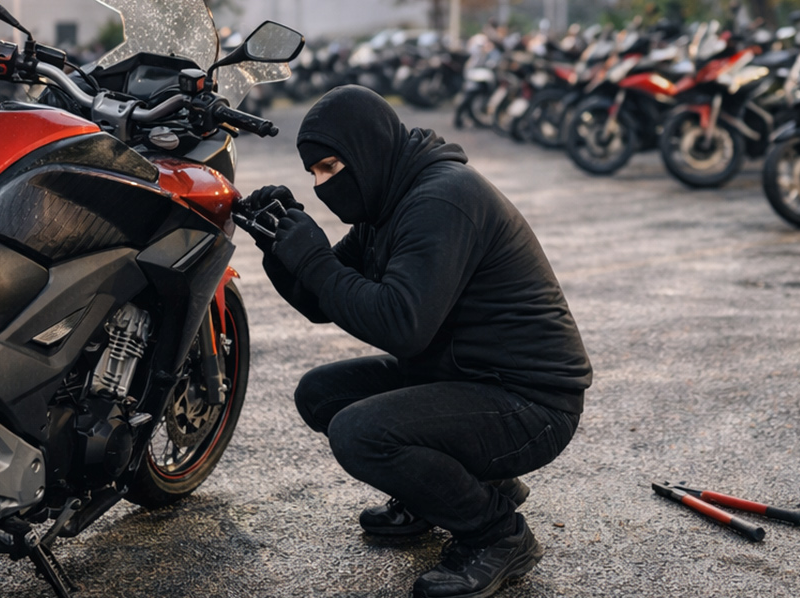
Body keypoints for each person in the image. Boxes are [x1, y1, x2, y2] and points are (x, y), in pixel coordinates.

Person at [231, 85, 592, 598]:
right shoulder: (389, 201)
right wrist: (280, 247)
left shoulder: (441, 199)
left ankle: (497, 534)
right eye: (313, 173)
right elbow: (323, 301)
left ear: (367, 150)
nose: (320, 185)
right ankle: (447, 492)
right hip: (463, 377)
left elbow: (400, 324)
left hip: (530, 404)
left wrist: (312, 257)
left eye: (330, 168)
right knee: (321, 394)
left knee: (361, 431)